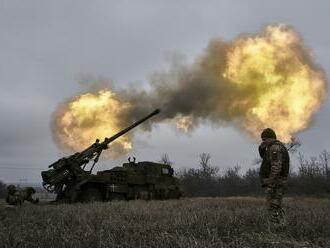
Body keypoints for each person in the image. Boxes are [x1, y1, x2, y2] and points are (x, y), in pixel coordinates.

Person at [258, 128, 290, 225]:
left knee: (272, 206)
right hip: (277, 182)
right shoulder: (274, 147)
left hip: (276, 183)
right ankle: (281, 225)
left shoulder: (275, 148)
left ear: (270, 138)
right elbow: (267, 160)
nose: (263, 142)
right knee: (276, 205)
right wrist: (262, 149)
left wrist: (270, 182)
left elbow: (276, 167)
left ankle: (275, 228)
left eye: (264, 140)